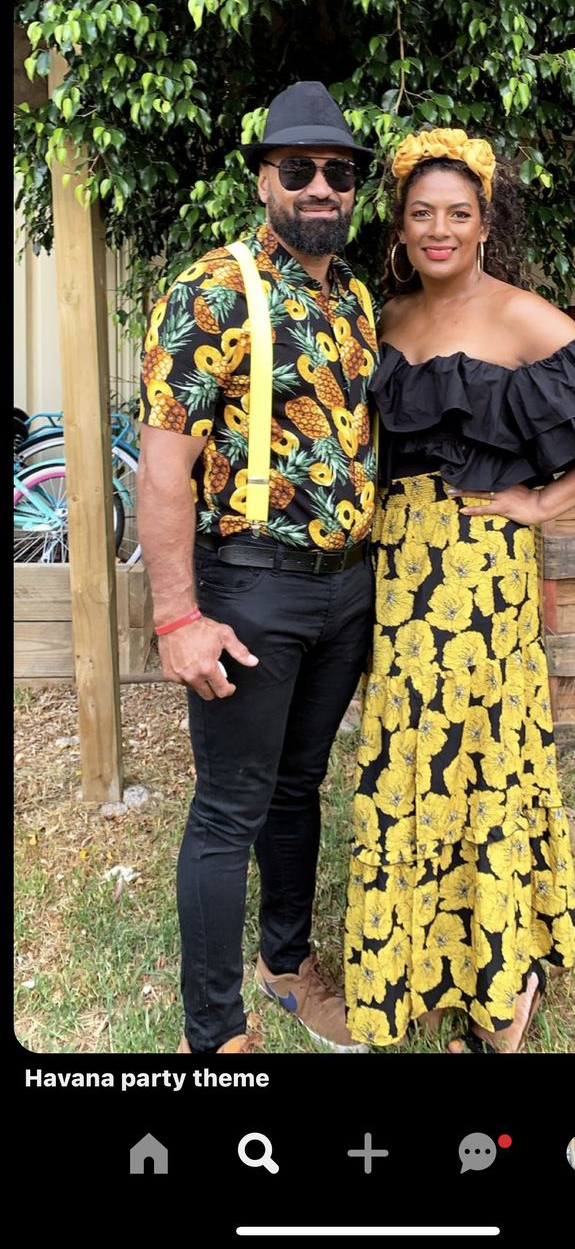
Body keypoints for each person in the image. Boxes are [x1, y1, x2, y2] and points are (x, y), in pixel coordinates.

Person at [343, 126, 575, 1052]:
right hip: (398, 570)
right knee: (408, 762)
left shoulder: (522, 315)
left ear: (486, 224)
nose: (439, 229)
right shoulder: (387, 318)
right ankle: (417, 965)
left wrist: (544, 501)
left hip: (480, 577)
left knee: (483, 763)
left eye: (458, 213)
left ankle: (504, 979)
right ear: (401, 228)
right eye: (422, 214)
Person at [137, 80, 378, 1054]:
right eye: (299, 168)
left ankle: (286, 963)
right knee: (230, 805)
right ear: (265, 178)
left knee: (298, 782)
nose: (319, 186)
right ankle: (212, 1031)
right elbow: (162, 467)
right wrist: (175, 617)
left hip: (345, 586)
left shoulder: (354, 298)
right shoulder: (213, 289)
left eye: (338, 171)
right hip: (249, 585)